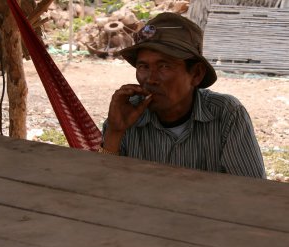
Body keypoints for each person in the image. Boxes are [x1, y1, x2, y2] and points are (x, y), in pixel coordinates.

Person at [99, 12, 266, 179]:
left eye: (164, 66)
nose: (151, 79)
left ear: (196, 74)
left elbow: (252, 193)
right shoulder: (126, 114)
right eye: (143, 66)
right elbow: (103, 186)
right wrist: (115, 132)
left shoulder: (226, 115)